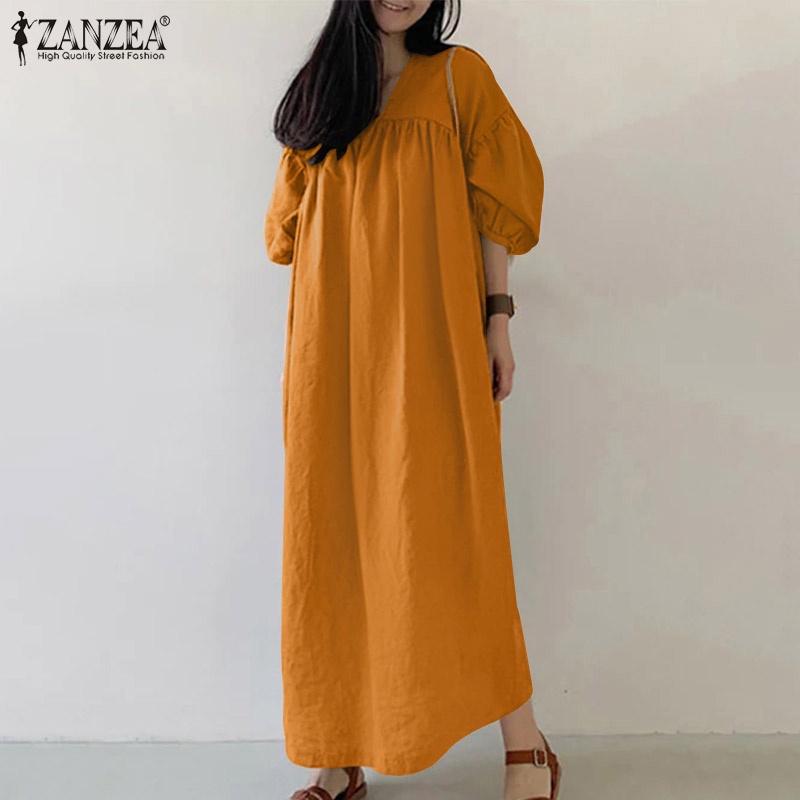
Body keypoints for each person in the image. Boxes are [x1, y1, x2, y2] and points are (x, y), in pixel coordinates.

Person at [264, 2, 560, 799]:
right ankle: (337, 753)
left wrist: (499, 319)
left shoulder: (461, 78)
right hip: (332, 354)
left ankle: (526, 744)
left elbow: (498, 205)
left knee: (462, 532)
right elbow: (286, 231)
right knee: (332, 540)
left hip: (433, 341)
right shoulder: (322, 90)